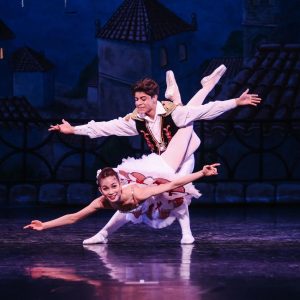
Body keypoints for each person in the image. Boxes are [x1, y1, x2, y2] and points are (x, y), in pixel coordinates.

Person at [48, 66, 261, 244]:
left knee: (178, 186)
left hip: (184, 155)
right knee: (127, 199)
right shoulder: (137, 120)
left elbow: (206, 111)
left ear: (153, 99)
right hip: (162, 159)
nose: (138, 103)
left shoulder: (172, 113)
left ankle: (187, 233)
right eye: (136, 99)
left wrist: (236, 102)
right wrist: (75, 129)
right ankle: (103, 233)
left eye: (142, 99)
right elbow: (107, 127)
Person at [24, 125, 220, 233]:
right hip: (137, 200)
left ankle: (183, 104)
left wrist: (202, 173)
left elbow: (172, 184)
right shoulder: (101, 202)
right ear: (101, 191)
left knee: (185, 139)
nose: (111, 192)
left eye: (113, 187)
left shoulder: (138, 191)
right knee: (126, 211)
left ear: (120, 184)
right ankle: (103, 235)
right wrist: (45, 225)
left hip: (156, 173)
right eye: (106, 189)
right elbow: (74, 217)